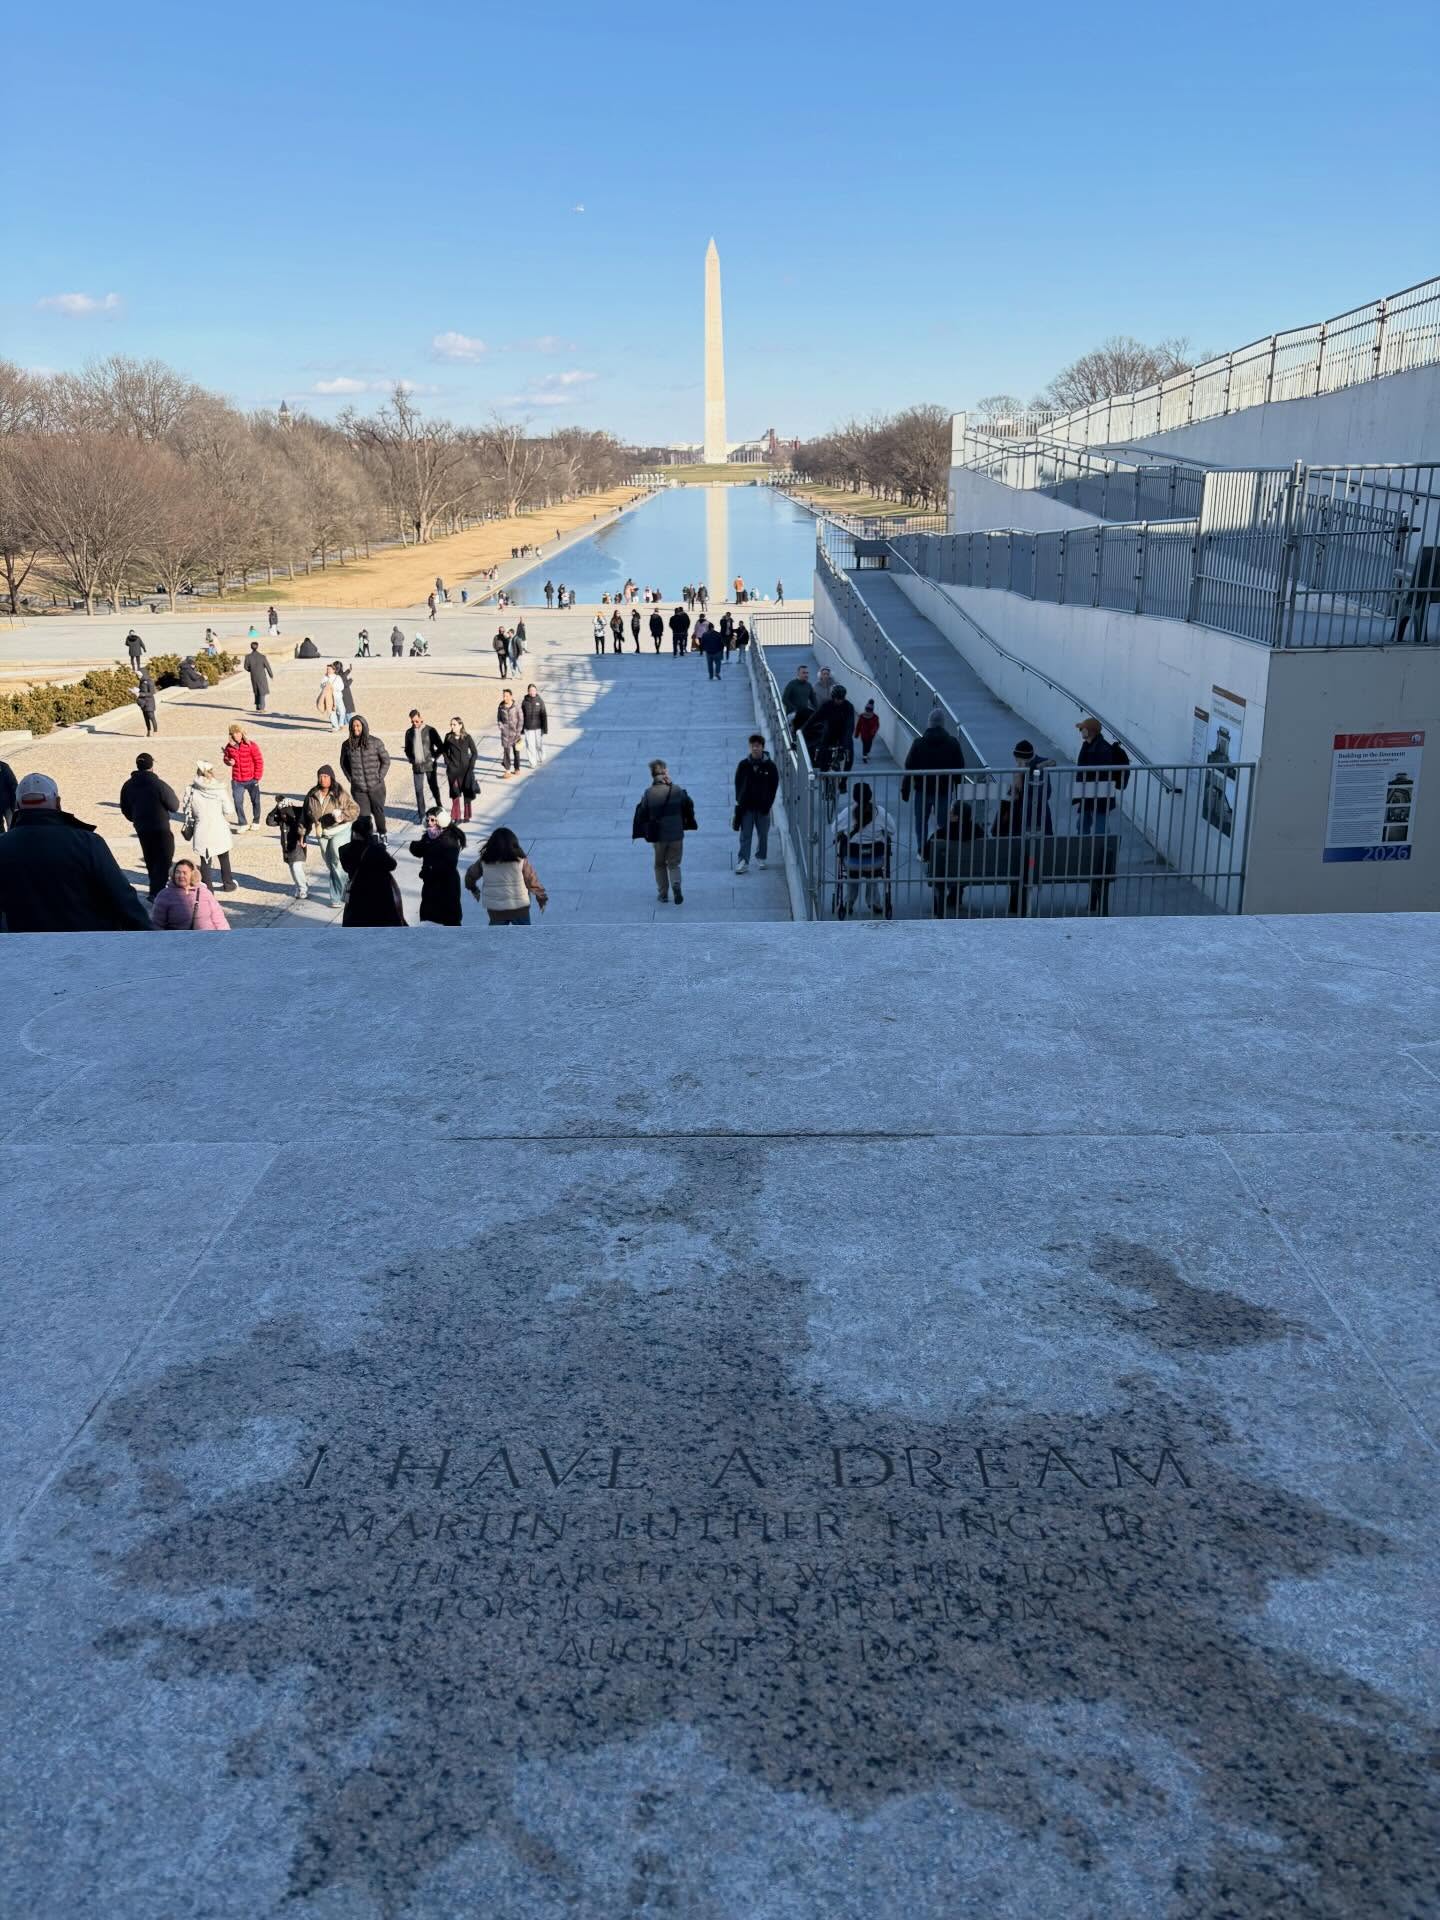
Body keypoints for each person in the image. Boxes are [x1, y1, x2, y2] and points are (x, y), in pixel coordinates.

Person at [0, 772, 151, 931]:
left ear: (17, 805)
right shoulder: (88, 843)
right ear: (58, 803)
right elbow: (123, 898)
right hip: (84, 943)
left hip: (23, 946)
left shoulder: (3, 845)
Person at [998, 739, 1055, 917]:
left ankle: (1017, 899)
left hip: (1024, 829)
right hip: (1043, 829)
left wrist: (1018, 783)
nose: (1015, 764)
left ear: (1022, 759)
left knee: (1019, 860)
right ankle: (1022, 897)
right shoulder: (1041, 769)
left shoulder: (1025, 773)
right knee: (1031, 860)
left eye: (1017, 760)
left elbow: (1019, 798)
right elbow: (1048, 793)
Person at [900, 707, 968, 854]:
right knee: (943, 823)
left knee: (921, 822)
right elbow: (960, 767)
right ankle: (942, 849)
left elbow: (909, 765)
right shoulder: (952, 743)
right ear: (943, 724)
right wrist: (959, 790)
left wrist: (905, 788)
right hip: (944, 790)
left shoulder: (919, 743)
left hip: (922, 789)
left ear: (929, 724)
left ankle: (922, 851)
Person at [632, 758, 697, 905]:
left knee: (660, 864)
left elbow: (642, 814)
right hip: (676, 834)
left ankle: (663, 894)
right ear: (665, 772)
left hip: (659, 836)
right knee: (674, 864)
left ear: (652, 775)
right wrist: (672, 784)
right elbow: (688, 803)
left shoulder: (649, 793)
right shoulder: (676, 790)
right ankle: (676, 884)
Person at [118, 752, 180, 900]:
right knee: (164, 858)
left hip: (142, 828)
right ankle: (157, 892)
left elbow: (125, 808)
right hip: (161, 828)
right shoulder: (158, 784)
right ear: (152, 766)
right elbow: (174, 805)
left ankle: (155, 889)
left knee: (150, 858)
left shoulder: (128, 785)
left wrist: (135, 819)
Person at [834, 780, 895, 918]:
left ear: (853, 797)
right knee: (872, 872)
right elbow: (892, 830)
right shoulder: (880, 812)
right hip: (875, 861)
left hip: (852, 861)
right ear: (870, 796)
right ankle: (874, 902)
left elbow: (834, 828)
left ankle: (848, 902)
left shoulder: (847, 813)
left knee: (852, 873)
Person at [464, 826, 547, 926]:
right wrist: (541, 898)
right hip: (519, 907)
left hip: (496, 908)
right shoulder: (520, 860)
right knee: (525, 936)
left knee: (496, 937)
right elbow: (532, 880)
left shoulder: (484, 861)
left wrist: (473, 889)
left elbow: (470, 876)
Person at [304, 765, 359, 906]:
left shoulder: (339, 792)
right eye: (321, 776)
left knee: (337, 861)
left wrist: (342, 816)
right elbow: (305, 816)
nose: (323, 779)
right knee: (330, 864)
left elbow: (355, 809)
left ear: (331, 778)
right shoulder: (312, 794)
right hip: (322, 833)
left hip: (340, 830)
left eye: (326, 776)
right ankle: (350, 885)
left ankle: (337, 898)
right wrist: (302, 835)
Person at [182, 762, 240, 893]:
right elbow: (229, 810)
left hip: (201, 828)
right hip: (218, 827)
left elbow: (186, 808)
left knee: (205, 860)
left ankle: (208, 890)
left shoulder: (190, 790)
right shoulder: (219, 789)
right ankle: (228, 883)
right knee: (224, 856)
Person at [339, 815, 404, 926]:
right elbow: (392, 865)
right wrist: (379, 848)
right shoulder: (375, 850)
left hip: (357, 895)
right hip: (380, 895)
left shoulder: (344, 850)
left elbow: (346, 868)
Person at [925, 799, 981, 919]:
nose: (949, 814)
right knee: (962, 864)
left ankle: (942, 900)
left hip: (946, 872)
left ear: (956, 817)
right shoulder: (977, 831)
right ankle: (955, 893)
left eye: (951, 812)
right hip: (973, 871)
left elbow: (925, 853)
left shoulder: (942, 833)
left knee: (942, 866)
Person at [340, 715, 391, 840]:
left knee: (378, 812)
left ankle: (382, 834)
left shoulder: (375, 742)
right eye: (353, 726)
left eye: (358, 725)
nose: (355, 728)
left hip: (376, 787)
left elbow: (386, 760)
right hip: (359, 789)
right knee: (364, 816)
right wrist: (351, 778)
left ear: (363, 726)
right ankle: (368, 840)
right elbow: (343, 763)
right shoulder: (347, 745)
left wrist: (379, 776)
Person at [733, 734, 779, 874]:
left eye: (757, 746)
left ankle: (761, 857)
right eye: (752, 745)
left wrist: (768, 803)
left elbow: (774, 786)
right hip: (746, 807)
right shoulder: (743, 765)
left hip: (763, 807)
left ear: (762, 747)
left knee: (763, 834)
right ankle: (743, 861)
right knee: (745, 834)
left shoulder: (770, 766)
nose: (755, 748)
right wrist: (740, 800)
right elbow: (738, 783)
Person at [410, 810, 466, 925]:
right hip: (431, 884)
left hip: (447, 885)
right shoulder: (429, 836)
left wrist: (429, 870)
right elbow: (419, 851)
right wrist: (414, 846)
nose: (429, 823)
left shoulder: (450, 838)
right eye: (427, 820)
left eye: (433, 820)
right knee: (428, 918)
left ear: (441, 821)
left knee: (450, 919)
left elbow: (450, 864)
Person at [151, 856, 230, 930]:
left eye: (185, 873)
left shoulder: (205, 893)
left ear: (192, 875)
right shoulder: (164, 895)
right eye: (178, 872)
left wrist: (227, 938)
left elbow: (219, 919)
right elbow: (157, 924)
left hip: (207, 940)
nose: (181, 876)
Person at [264, 795, 311, 900]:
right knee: (292, 869)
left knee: (296, 867)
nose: (284, 815)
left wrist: (290, 806)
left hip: (297, 846)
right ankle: (300, 887)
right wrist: (276, 808)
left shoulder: (297, 813)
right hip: (286, 847)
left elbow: (306, 818)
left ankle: (303, 888)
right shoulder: (281, 818)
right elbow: (269, 822)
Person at [222, 723, 265, 830]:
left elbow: (259, 761)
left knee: (255, 801)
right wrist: (228, 762)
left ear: (242, 733)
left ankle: (256, 821)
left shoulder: (251, 745)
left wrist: (257, 778)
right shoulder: (229, 747)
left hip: (251, 779)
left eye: (238, 733)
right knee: (237, 802)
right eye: (234, 733)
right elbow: (226, 758)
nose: (236, 735)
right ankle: (243, 823)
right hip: (237, 780)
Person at [405, 709, 443, 820]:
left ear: (421, 719)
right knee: (418, 790)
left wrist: (434, 756)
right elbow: (407, 749)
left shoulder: (430, 730)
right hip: (416, 766)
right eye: (412, 722)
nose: (414, 724)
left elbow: (440, 746)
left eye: (416, 721)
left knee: (433, 787)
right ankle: (421, 814)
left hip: (429, 764)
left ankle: (439, 807)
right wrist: (412, 759)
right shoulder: (409, 733)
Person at [442, 716, 479, 823]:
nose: (452, 726)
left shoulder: (467, 737)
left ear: (460, 725)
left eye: (454, 724)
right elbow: (444, 751)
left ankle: (467, 816)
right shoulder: (448, 737)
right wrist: (448, 762)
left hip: (466, 770)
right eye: (451, 724)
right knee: (455, 794)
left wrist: (471, 766)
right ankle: (456, 817)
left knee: (467, 793)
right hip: (453, 770)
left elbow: (474, 753)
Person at [813, 683, 857, 773]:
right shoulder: (827, 705)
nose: (840, 701)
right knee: (822, 751)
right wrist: (801, 730)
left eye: (842, 699)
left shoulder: (848, 706)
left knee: (850, 754)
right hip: (830, 733)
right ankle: (824, 773)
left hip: (843, 733)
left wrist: (846, 745)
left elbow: (850, 726)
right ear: (833, 697)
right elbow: (813, 719)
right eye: (838, 699)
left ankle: (843, 782)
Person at [497, 688, 524, 778]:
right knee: (506, 752)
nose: (505, 698)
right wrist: (501, 726)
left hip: (515, 733)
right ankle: (507, 771)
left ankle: (517, 768)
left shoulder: (516, 706)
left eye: (507, 696)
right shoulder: (501, 707)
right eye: (504, 696)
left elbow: (521, 719)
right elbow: (499, 719)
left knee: (516, 751)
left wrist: (518, 731)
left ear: (511, 696)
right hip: (505, 734)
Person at [781, 664, 817, 732]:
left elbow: (814, 700)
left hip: (804, 712)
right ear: (798, 673)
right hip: (793, 713)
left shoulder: (808, 685)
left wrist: (817, 710)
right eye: (803, 673)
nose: (806, 675)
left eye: (807, 673)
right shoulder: (792, 684)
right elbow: (784, 699)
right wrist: (794, 708)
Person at [521, 684, 548, 767]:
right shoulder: (524, 702)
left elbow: (544, 715)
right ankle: (533, 762)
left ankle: (541, 756)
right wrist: (521, 729)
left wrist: (545, 728)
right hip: (528, 727)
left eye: (534, 690)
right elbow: (521, 715)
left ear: (536, 691)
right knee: (530, 745)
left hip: (538, 727)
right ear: (528, 692)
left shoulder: (540, 701)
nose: (532, 692)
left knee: (539, 744)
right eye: (530, 690)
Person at [244, 640, 273, 713]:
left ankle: (258, 706)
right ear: (257, 647)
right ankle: (262, 708)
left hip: (253, 676)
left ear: (251, 647)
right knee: (262, 691)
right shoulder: (262, 656)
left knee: (256, 690)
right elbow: (267, 666)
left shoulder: (248, 657)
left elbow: (245, 667)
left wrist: (251, 670)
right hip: (262, 675)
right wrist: (271, 675)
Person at [317, 664, 344, 730]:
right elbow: (321, 686)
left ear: (333, 670)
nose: (328, 670)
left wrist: (332, 688)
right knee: (331, 712)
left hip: (337, 697)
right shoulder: (325, 678)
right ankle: (335, 726)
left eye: (329, 669)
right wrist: (325, 685)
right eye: (327, 669)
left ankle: (341, 724)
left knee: (342, 711)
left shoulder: (338, 677)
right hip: (329, 698)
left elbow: (341, 687)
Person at [134, 669, 159, 737]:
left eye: (139, 675)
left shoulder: (149, 682)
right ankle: (149, 731)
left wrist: (140, 694)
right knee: (146, 718)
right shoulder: (141, 681)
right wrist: (136, 691)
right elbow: (142, 690)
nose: (138, 676)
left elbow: (152, 693)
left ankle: (155, 731)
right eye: (137, 675)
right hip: (143, 703)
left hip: (149, 702)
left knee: (151, 717)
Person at [0, 759, 15, 832]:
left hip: (7, 805)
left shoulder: (3, 767)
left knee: (12, 826)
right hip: (6, 804)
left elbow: (13, 785)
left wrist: (14, 804)